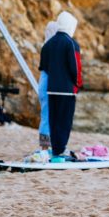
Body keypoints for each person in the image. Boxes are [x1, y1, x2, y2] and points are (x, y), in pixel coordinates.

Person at [39, 11, 82, 158]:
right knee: (64, 121)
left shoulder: (48, 44)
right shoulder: (71, 44)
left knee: (54, 120)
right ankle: (60, 149)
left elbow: (43, 66)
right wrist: (78, 85)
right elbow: (75, 68)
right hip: (67, 90)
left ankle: (55, 149)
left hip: (51, 89)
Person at [38, 21, 58, 150]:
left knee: (46, 116)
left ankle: (46, 147)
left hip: (43, 83)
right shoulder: (49, 48)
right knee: (47, 116)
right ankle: (45, 148)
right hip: (48, 85)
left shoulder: (45, 46)